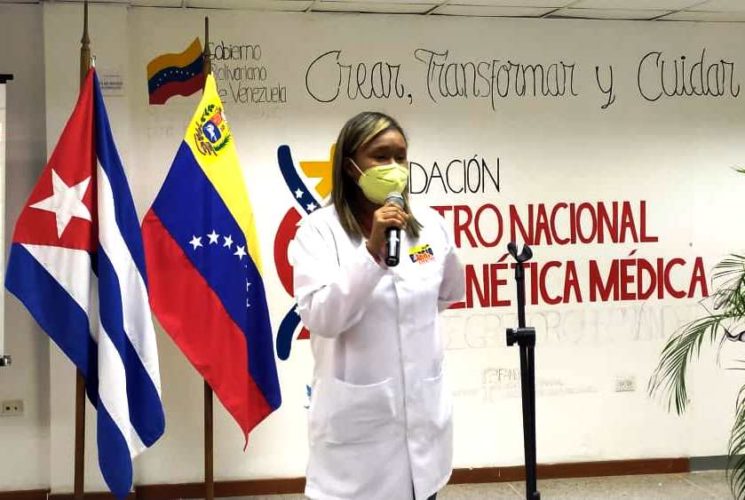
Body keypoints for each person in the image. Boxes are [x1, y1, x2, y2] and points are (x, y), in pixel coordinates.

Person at [291, 111, 465, 500]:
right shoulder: (319, 232)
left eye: (400, 157)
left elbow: (449, 291)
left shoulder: (430, 225)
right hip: (357, 437)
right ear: (350, 166)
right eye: (380, 156)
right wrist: (371, 252)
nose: (394, 168)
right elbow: (322, 318)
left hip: (424, 427)